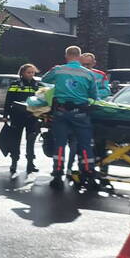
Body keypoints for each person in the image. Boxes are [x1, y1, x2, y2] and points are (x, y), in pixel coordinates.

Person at [45, 45, 101, 189]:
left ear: (66, 56)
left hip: (61, 112)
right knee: (84, 144)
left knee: (60, 144)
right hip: (80, 113)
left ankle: (57, 173)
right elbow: (94, 96)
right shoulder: (89, 74)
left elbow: (44, 80)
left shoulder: (58, 70)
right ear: (80, 57)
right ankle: (89, 173)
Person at [3, 63, 41, 176]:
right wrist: (5, 115)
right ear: (22, 73)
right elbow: (8, 100)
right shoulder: (15, 84)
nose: (31, 74)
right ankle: (14, 162)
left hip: (32, 117)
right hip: (17, 117)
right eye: (28, 72)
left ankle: (30, 163)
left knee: (31, 140)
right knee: (15, 140)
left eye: (33, 72)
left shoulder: (37, 85)